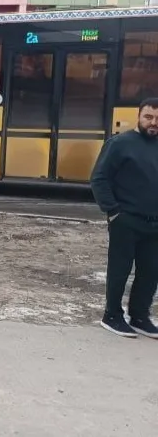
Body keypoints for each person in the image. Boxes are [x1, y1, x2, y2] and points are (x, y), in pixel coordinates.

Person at [90, 97, 158, 338]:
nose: (153, 122)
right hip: (126, 220)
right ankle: (112, 316)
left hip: (155, 223)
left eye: (157, 119)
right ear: (139, 116)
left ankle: (140, 316)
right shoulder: (120, 143)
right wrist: (113, 211)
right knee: (120, 269)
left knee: (151, 272)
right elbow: (99, 178)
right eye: (148, 117)